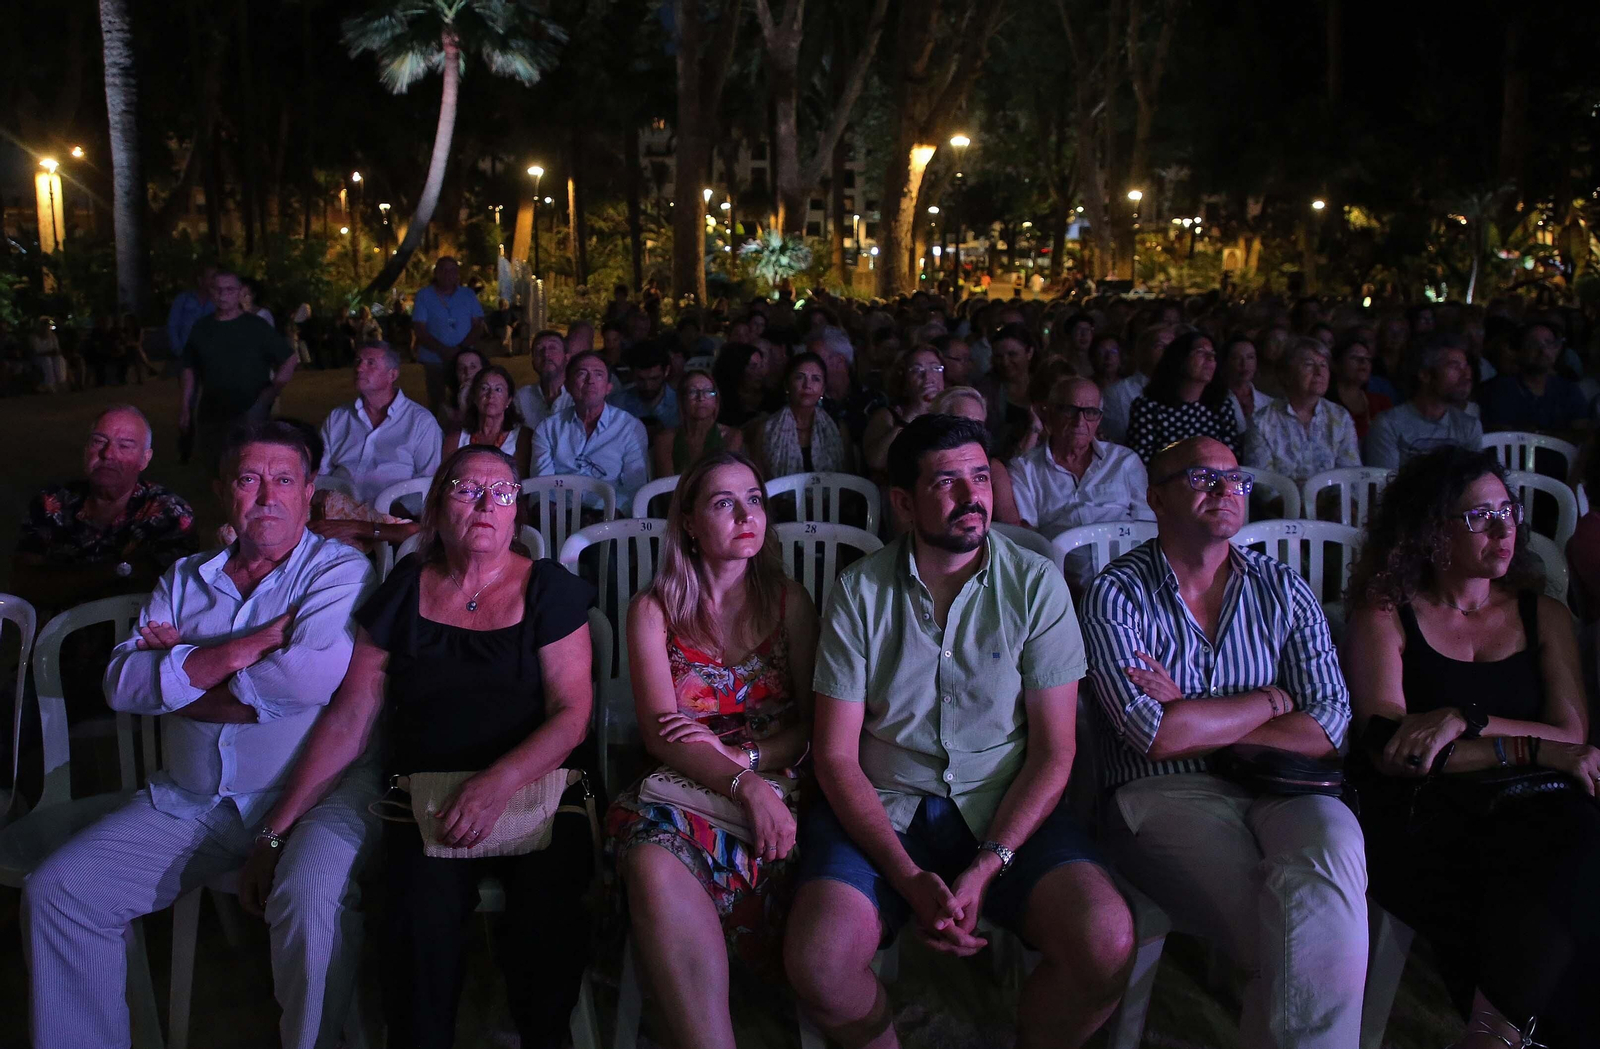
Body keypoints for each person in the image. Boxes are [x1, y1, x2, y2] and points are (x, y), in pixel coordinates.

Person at [24, 421, 379, 1049]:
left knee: (308, 901)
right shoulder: (185, 577)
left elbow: (303, 679)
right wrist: (245, 646)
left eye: (283, 480)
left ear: (308, 491)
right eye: (249, 480)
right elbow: (120, 683)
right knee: (60, 892)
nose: (266, 495)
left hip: (300, 796)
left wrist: (181, 672)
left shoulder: (337, 570)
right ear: (223, 491)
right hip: (188, 801)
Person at [784, 414, 1134, 1049]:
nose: (974, 496)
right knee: (817, 962)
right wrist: (906, 874)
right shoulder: (860, 592)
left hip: (1005, 801)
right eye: (947, 482)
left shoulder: (1035, 584)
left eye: (980, 476)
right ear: (902, 502)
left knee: (1105, 943)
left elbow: (1055, 752)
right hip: (886, 806)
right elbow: (835, 757)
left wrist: (989, 864)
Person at [238, 445, 597, 1049]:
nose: (485, 505)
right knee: (415, 926)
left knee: (547, 912)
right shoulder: (406, 590)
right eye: (466, 490)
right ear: (436, 507)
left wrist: (496, 783)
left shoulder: (548, 590)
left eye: (502, 494)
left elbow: (572, 714)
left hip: (535, 781)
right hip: (426, 794)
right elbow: (352, 716)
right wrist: (276, 829)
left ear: (517, 515)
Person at [1080, 436, 1368, 1048]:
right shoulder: (1117, 592)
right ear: (1156, 498)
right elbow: (1151, 735)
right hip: (1161, 795)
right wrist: (1272, 699)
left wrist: (1190, 708)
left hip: (1284, 781)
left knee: (1336, 843)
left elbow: (1332, 720)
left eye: (1235, 479)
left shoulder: (1280, 586)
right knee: (1301, 939)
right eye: (1203, 478)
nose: (1226, 490)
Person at [1342, 447, 1600, 1047]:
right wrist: (1532, 750)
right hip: (1421, 811)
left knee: (1572, 845)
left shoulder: (1545, 615)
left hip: (1537, 802)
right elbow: (1398, 750)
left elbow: (1572, 737)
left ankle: (1496, 1031)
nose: (1504, 529)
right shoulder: (1386, 612)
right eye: (1479, 517)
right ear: (1432, 530)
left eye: (1508, 512)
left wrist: (1465, 720)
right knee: (1570, 857)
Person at [607, 452, 819, 1048]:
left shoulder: (789, 602)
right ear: (691, 524)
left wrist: (750, 761)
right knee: (651, 855)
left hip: (780, 776)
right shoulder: (653, 610)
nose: (745, 514)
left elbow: (812, 725)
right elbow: (660, 735)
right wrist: (740, 783)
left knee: (802, 841)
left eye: (753, 500)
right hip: (680, 786)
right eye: (723, 503)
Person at [12, 405, 196, 614]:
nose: (108, 454)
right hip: (55, 641)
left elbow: (170, 597)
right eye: (98, 441)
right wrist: (120, 569)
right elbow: (24, 584)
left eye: (125, 446)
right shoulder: (50, 503)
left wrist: (63, 579)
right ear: (85, 449)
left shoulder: (169, 512)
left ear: (145, 459)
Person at [1010, 377, 1153, 587]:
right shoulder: (1025, 469)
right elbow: (1029, 539)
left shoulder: (1124, 461)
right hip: (1063, 587)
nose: (1080, 422)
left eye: (1091, 413)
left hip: (1131, 582)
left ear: (1099, 418)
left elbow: (1148, 525)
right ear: (1048, 413)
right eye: (1069, 410)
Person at [179, 270, 297, 467]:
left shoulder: (256, 326)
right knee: (215, 468)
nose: (223, 295)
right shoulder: (201, 328)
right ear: (210, 292)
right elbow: (189, 367)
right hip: (211, 413)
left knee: (248, 467)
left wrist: (272, 392)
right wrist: (185, 407)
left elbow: (290, 358)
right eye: (217, 290)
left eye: (229, 290)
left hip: (250, 411)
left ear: (239, 292)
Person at [318, 341, 443, 507]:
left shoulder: (420, 422)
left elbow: (429, 480)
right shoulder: (339, 417)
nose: (359, 368)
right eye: (357, 362)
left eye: (370, 363)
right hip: (338, 509)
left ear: (392, 375)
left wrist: (399, 513)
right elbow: (320, 471)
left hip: (391, 515)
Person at [533, 350, 651, 514]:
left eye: (598, 375)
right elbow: (541, 486)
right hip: (559, 519)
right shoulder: (548, 429)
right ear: (567, 385)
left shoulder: (629, 427)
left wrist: (607, 518)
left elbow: (634, 488)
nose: (590, 381)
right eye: (582, 374)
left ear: (609, 387)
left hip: (610, 519)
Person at [1240, 337, 1360, 484]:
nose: (1319, 372)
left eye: (1323, 365)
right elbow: (1261, 484)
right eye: (1309, 365)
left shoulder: (1340, 417)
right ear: (1287, 374)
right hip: (1282, 506)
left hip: (1333, 505)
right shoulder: (1262, 421)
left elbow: (1352, 475)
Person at [1365, 334, 1483, 469]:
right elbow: (1384, 484)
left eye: (1465, 366)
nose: (1466, 374)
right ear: (1425, 375)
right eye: (1454, 366)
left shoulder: (1469, 426)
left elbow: (1474, 481)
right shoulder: (1389, 425)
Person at [1127, 331, 1238, 463]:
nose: (1210, 358)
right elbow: (1140, 462)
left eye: (1213, 354)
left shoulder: (1221, 407)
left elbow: (1233, 459)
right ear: (1180, 358)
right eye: (1200, 352)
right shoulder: (1148, 407)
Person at [747, 352, 852, 479]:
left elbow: (849, 482)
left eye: (816, 379)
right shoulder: (766, 430)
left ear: (823, 389)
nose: (807, 385)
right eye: (800, 377)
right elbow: (759, 483)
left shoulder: (838, 429)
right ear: (787, 385)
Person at [931, 387, 1022, 525]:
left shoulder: (994, 468)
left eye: (978, 425)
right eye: (964, 423)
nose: (972, 431)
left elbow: (1011, 524)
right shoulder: (925, 466)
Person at [1480, 322, 1590, 435]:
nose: (1543, 351)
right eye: (1533, 344)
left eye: (1549, 343)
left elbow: (1581, 433)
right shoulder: (1500, 390)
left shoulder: (1569, 390)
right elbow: (1501, 437)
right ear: (1519, 350)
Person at [411, 256, 487, 413]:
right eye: (444, 270)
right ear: (436, 273)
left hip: (465, 359)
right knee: (437, 401)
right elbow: (419, 328)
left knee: (469, 398)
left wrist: (461, 349)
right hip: (434, 359)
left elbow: (478, 325)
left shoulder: (468, 295)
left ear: (457, 274)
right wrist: (443, 350)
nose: (448, 274)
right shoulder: (424, 296)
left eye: (452, 270)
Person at [862, 347, 946, 476]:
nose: (928, 377)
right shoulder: (887, 415)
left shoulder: (952, 410)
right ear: (904, 380)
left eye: (936, 368)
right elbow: (876, 462)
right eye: (917, 370)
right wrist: (912, 413)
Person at [442, 365, 534, 478]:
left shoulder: (523, 437)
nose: (490, 395)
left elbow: (522, 485)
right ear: (474, 397)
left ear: (508, 400)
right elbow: (445, 483)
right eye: (484, 388)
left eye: (498, 389)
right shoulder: (455, 439)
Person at [651, 370, 744, 477]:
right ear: (682, 400)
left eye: (708, 392)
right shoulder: (665, 439)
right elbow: (666, 486)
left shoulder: (731, 436)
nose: (701, 398)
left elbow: (726, 477)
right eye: (693, 392)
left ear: (716, 400)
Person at [1102, 324, 1176, 445]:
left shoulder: (1184, 391)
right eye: (1159, 345)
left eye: (1173, 346)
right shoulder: (1117, 393)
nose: (1168, 351)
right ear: (1142, 351)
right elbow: (1118, 440)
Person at [975, 323, 1038, 457]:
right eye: (999, 356)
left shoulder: (1046, 385)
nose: (1005, 362)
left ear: (1029, 353)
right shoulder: (985, 390)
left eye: (1012, 354)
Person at [1326, 334, 1392, 443]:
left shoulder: (1382, 403)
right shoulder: (1324, 404)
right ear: (1335, 364)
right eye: (1355, 357)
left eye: (1367, 359)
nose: (1363, 362)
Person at [610, 341, 681, 431]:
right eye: (641, 379)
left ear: (666, 371)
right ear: (632, 373)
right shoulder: (616, 405)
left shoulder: (681, 405)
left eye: (654, 379)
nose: (648, 386)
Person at [514, 329, 575, 431]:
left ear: (567, 358)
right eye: (539, 349)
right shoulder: (522, 397)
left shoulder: (580, 396)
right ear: (533, 362)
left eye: (553, 348)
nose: (546, 354)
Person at [1221, 334, 1269, 435]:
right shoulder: (1216, 401)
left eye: (1250, 357)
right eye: (1236, 358)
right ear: (1225, 362)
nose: (1244, 364)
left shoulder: (1268, 403)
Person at [165, 265, 216, 361]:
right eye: (212, 278)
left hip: (210, 358)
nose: (215, 282)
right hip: (186, 355)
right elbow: (172, 326)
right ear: (200, 280)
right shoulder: (183, 299)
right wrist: (178, 350)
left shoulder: (218, 302)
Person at [713, 343, 768, 428]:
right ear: (737, 369)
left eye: (761, 366)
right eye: (753, 367)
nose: (760, 373)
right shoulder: (720, 403)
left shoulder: (769, 398)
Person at [443, 346, 488, 430]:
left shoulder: (495, 400)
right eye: (461, 368)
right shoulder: (446, 409)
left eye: (473, 367)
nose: (467, 372)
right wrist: (462, 400)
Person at [28, 317, 67, 394]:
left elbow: (57, 349)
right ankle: (50, 383)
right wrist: (49, 353)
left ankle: (61, 381)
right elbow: (37, 351)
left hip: (52, 357)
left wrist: (55, 353)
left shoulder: (53, 336)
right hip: (39, 358)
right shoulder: (34, 337)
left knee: (59, 359)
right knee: (47, 361)